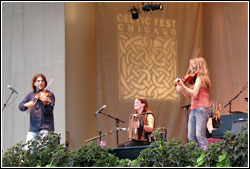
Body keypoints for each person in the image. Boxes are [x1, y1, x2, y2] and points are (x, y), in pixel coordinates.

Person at [175, 56, 211, 150]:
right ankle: (195, 157)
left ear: (197, 66)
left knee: (200, 135)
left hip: (202, 109)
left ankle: (206, 156)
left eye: (192, 66)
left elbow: (194, 93)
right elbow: (190, 96)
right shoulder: (195, 80)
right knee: (191, 136)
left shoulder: (200, 79)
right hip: (194, 109)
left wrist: (183, 86)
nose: (190, 68)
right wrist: (183, 89)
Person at [19, 73, 55, 149]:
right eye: (38, 81)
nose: (40, 82)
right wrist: (26, 104)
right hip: (33, 127)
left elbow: (50, 109)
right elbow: (20, 106)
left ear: (45, 83)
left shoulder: (49, 94)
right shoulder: (30, 95)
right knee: (28, 150)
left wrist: (45, 103)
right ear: (34, 83)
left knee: (42, 151)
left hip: (46, 127)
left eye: (42, 81)